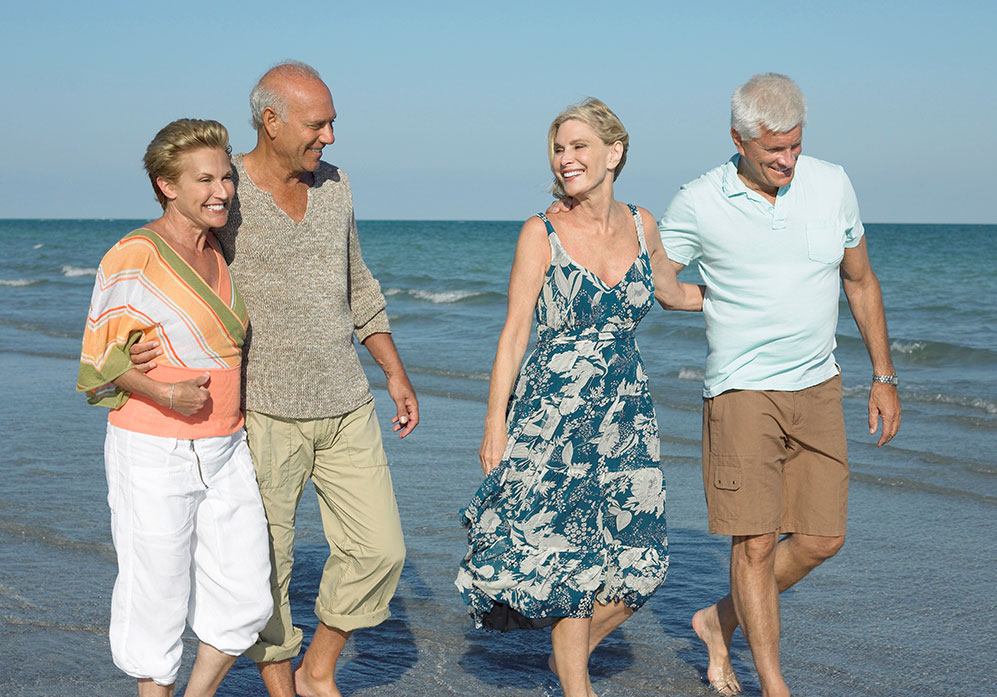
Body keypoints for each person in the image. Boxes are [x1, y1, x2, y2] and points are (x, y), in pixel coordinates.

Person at [131, 61, 418, 697]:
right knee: (267, 569)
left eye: (333, 122)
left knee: (380, 551)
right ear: (271, 122)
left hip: (345, 400)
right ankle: (285, 689)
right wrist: (144, 357)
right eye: (319, 124)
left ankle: (319, 669)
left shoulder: (336, 186)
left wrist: (394, 373)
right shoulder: (224, 190)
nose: (331, 137)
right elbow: (172, 264)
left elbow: (357, 282)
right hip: (261, 410)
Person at [657, 73, 902, 697]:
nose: (787, 162)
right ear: (738, 139)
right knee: (757, 542)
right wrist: (709, 299)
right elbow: (658, 279)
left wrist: (884, 376)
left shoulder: (832, 184)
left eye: (795, 146)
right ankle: (774, 685)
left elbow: (860, 280)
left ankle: (718, 621)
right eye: (773, 152)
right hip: (741, 391)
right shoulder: (698, 201)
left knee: (823, 537)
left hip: (819, 385)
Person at [456, 98, 703, 697]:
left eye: (579, 147)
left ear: (614, 153)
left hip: (625, 414)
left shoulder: (646, 225)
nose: (566, 159)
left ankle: (571, 657)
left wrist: (754, 292)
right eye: (559, 149)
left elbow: (674, 293)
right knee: (570, 562)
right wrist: (495, 422)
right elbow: (514, 333)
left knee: (643, 563)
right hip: (553, 416)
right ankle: (576, 685)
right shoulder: (540, 233)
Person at [77, 119, 272, 697]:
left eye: (227, 177)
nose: (222, 191)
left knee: (245, 596)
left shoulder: (219, 250)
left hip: (226, 446)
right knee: (155, 595)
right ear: (167, 185)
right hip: (152, 449)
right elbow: (93, 369)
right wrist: (164, 391)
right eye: (204, 179)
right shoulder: (133, 255)